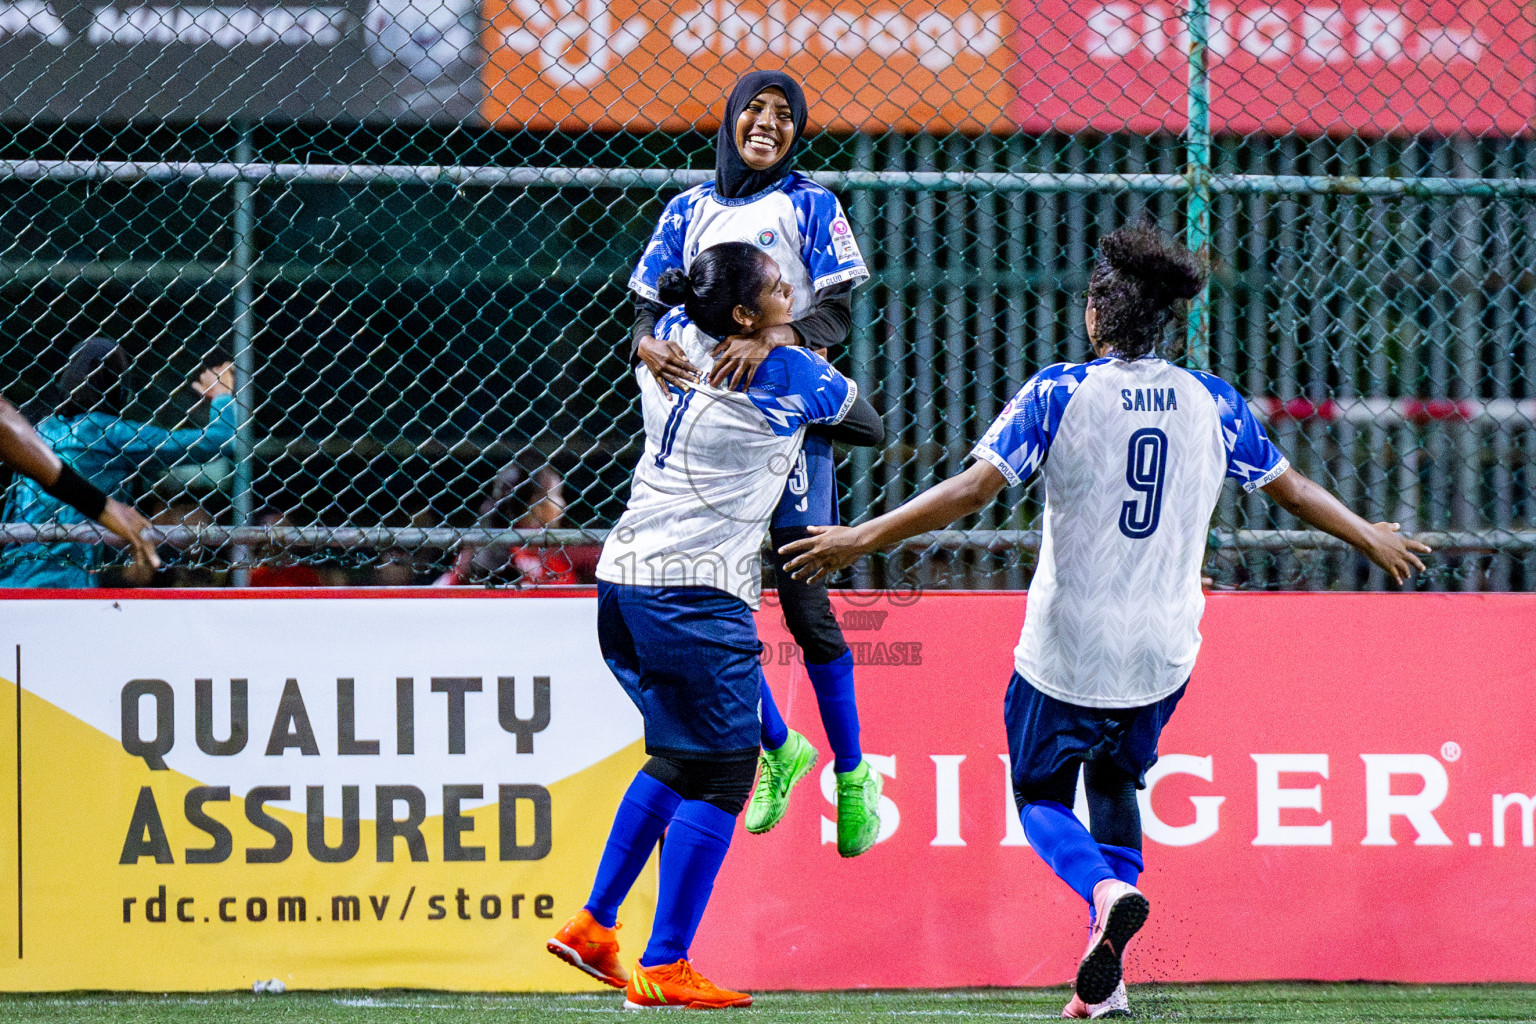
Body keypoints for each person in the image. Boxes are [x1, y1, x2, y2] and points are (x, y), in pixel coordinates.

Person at [780, 225, 1430, 1019]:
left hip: (1068, 645)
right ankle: (1108, 980)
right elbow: (1290, 489)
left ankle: (1104, 887)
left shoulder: (1059, 391)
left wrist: (861, 536)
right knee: (1117, 779)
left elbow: (973, 489)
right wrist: (1369, 534)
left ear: (1098, 313)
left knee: (1041, 794)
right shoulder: (1214, 400)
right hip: (1165, 649)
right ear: (1164, 321)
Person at [547, 242, 882, 1009]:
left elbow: (661, 312)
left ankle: (595, 925)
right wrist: (783, 343)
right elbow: (866, 423)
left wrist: (747, 327)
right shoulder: (787, 370)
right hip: (696, 593)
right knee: (728, 776)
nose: (789, 289)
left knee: (673, 760)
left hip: (624, 579)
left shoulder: (665, 335)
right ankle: (664, 964)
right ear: (743, 315)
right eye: (774, 288)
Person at [628, 69, 883, 856]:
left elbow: (838, 309)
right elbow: (646, 302)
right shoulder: (686, 209)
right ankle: (778, 744)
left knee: (805, 607)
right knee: (710, 602)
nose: (767, 124)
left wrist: (773, 337)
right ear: (732, 119)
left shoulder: (813, 204)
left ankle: (852, 777)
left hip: (789, 431)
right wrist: (645, 341)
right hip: (710, 441)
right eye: (755, 111)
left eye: (783, 116)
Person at [0, 338, 236, 588]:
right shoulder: (111, 433)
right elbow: (220, 440)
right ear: (120, 389)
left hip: (12, 577)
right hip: (64, 582)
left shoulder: (40, 434)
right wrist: (221, 395)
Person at [0, 395, 159, 573]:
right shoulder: (104, 429)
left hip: (19, 569)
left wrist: (99, 505)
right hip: (60, 572)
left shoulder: (45, 428)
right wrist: (101, 505)